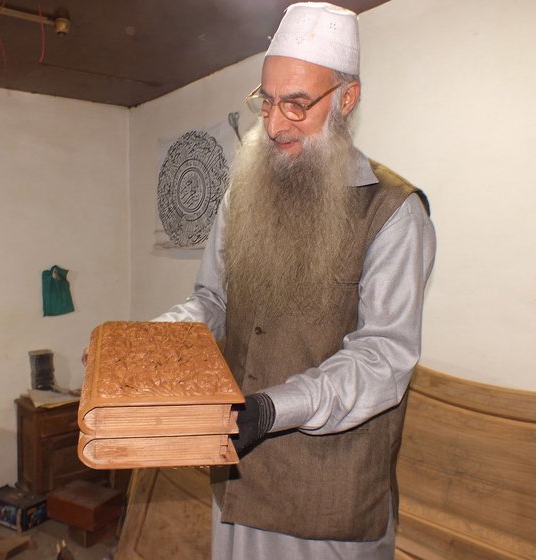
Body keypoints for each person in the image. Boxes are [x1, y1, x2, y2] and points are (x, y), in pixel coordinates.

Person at [154, 2, 436, 558]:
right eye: (267, 101)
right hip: (236, 480)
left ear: (347, 100)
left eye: (297, 104)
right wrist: (151, 340)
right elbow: (214, 300)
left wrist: (271, 408)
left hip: (324, 503)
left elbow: (382, 357)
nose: (276, 123)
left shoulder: (394, 211)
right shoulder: (244, 194)